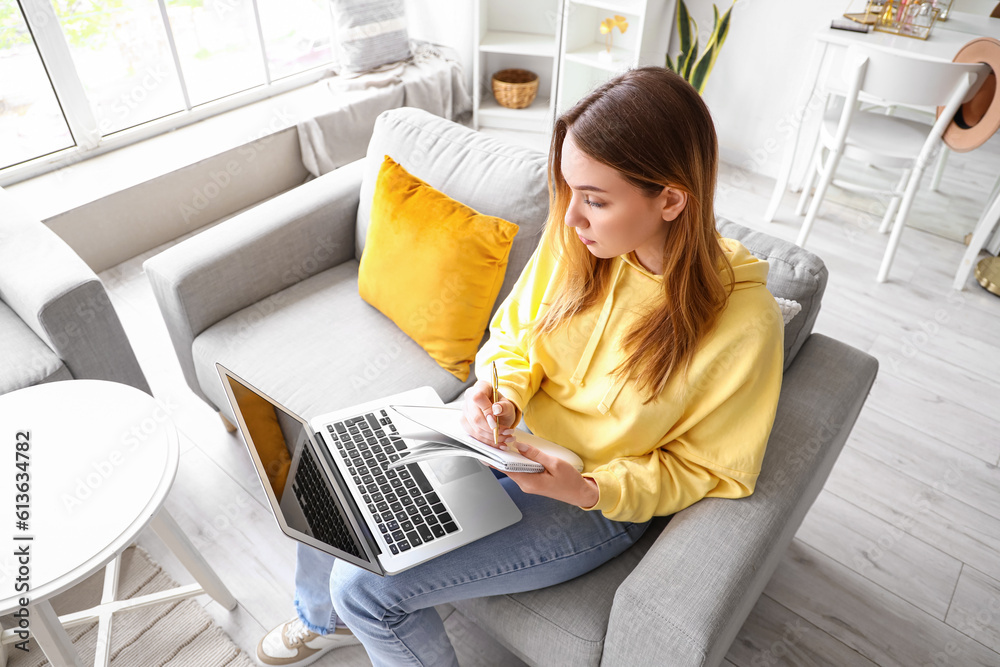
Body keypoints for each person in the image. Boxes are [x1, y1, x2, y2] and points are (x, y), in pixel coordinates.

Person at [255, 66, 784, 667]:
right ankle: (321, 621)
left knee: (366, 590)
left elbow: (708, 470)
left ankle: (347, 612)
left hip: (593, 501)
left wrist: (588, 488)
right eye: (570, 191)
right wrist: (500, 393)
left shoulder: (742, 324)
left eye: (595, 199)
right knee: (329, 470)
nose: (570, 218)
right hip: (502, 442)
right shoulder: (581, 241)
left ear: (669, 198)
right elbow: (514, 336)